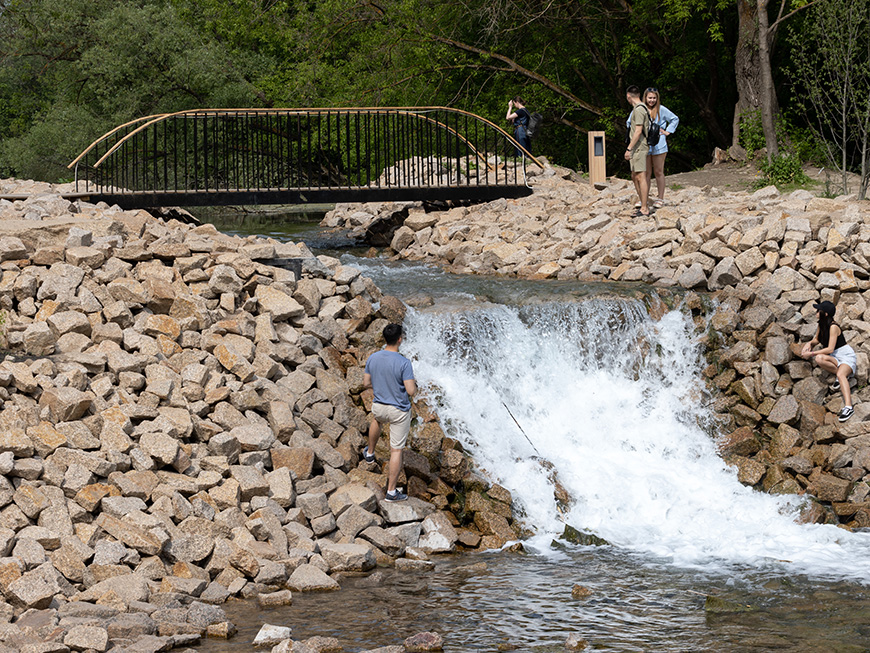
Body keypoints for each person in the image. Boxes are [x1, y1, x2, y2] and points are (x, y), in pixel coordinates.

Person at [363, 323, 417, 501]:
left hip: (379, 406)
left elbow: (366, 383)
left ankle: (370, 453)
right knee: (396, 451)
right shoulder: (404, 362)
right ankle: (391, 492)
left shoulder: (373, 357)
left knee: (377, 421)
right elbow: (410, 391)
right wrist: (414, 385)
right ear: (399, 339)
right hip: (398, 411)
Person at [800, 300, 857, 422]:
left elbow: (830, 348)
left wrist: (811, 353)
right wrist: (809, 344)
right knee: (819, 359)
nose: (816, 312)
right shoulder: (821, 324)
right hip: (834, 356)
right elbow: (816, 340)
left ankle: (848, 407)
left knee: (841, 374)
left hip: (845, 355)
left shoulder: (833, 327)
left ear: (825, 314)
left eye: (818, 310)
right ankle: (841, 376)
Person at [640, 87, 679, 209]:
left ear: (657, 99)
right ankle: (644, 199)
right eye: (649, 97)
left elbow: (674, 119)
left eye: (654, 98)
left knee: (658, 171)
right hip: (644, 144)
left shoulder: (661, 109)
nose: (651, 100)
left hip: (659, 144)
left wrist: (667, 131)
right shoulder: (641, 110)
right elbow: (630, 122)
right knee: (645, 173)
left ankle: (660, 197)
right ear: (645, 98)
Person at [624, 85, 650, 216]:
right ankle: (642, 203)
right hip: (636, 147)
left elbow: (638, 131)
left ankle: (644, 208)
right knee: (634, 176)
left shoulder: (639, 110)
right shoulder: (638, 109)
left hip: (639, 146)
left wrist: (629, 148)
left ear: (629, 96)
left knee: (641, 176)